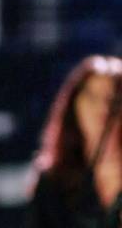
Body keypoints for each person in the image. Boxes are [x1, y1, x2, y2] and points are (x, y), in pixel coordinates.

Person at [26, 55, 122, 228]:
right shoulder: (54, 183)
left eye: (113, 100)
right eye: (93, 98)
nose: (103, 108)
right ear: (74, 104)